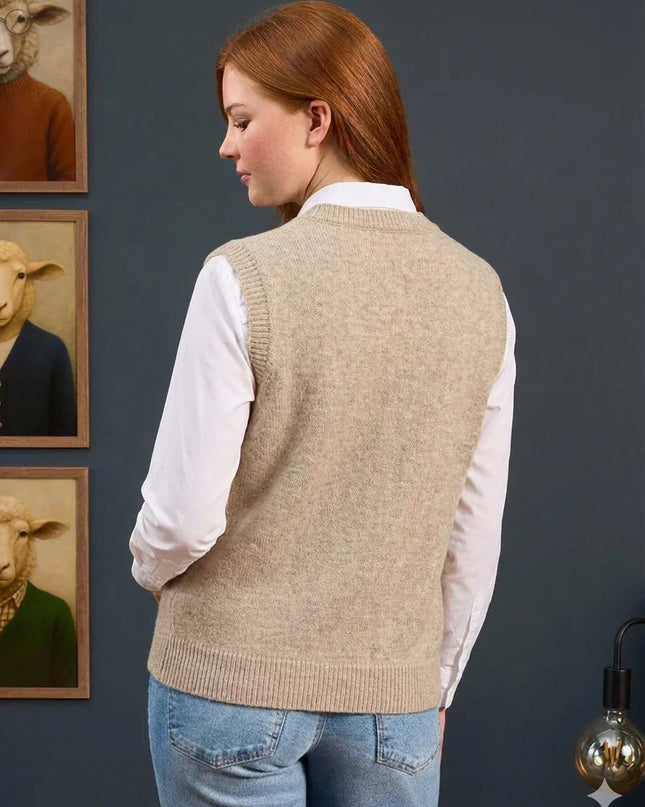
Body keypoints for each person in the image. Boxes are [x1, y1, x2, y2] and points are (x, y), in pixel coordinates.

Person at [128, 2, 516, 805]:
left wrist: (150, 571)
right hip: (392, 700)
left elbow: (178, 520)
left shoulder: (242, 276)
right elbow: (471, 535)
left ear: (316, 118)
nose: (226, 145)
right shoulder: (482, 293)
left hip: (226, 681)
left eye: (241, 119)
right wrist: (432, 684)